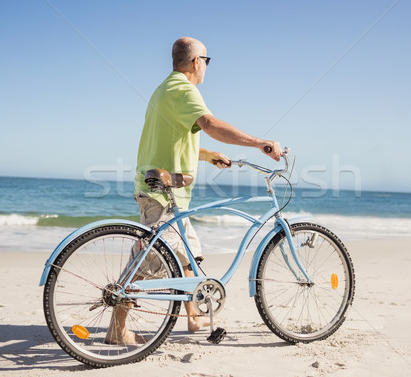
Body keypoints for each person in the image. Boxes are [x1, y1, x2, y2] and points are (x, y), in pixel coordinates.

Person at [105, 37, 281, 345]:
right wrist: (258, 143)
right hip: (161, 194)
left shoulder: (164, 90)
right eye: (207, 61)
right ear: (196, 62)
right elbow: (210, 123)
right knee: (149, 260)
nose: (207, 68)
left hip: (167, 191)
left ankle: (194, 318)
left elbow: (177, 139)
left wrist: (208, 155)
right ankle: (117, 329)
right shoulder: (184, 90)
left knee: (189, 258)